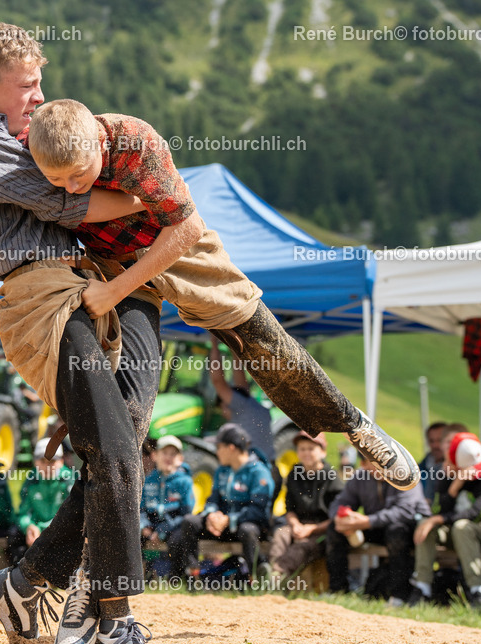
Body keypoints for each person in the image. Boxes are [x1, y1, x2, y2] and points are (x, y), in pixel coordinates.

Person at [24, 97, 420, 494]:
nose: (72, 188)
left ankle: (355, 426)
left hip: (172, 245)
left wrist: (113, 291)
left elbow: (187, 227)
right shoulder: (32, 146)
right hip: (107, 259)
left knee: (262, 339)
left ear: (97, 140)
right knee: (128, 401)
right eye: (58, 182)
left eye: (78, 175)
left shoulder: (136, 142)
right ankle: (97, 525)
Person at [0, 23, 165, 644]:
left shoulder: (10, 133)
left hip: (92, 285)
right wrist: (156, 191)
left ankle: (27, 581)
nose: (40, 96)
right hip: (43, 298)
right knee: (114, 449)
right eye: (29, 86)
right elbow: (73, 201)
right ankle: (110, 619)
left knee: (116, 444)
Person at [408, 432, 481, 609]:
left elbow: (479, 513)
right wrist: (453, 488)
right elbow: (436, 510)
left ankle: (477, 591)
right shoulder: (446, 472)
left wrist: (440, 518)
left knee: (462, 527)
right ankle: (422, 588)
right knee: (425, 526)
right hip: (453, 530)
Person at [169, 424, 274, 582]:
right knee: (190, 521)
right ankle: (193, 577)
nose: (216, 451)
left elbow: (258, 510)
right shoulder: (221, 470)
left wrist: (229, 520)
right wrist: (211, 515)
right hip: (219, 527)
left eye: (219, 447)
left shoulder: (259, 472)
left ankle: (255, 580)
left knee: (248, 529)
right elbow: (212, 500)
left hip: (245, 527)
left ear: (231, 448)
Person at [325, 455, 430, 605]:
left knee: (396, 531)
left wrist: (366, 522)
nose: (381, 467)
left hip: (410, 529)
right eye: (375, 464)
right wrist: (342, 518)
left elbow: (404, 512)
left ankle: (399, 596)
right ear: (363, 464)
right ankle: (338, 590)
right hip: (376, 527)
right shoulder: (359, 477)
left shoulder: (404, 475)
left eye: (384, 463)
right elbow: (341, 502)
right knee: (334, 530)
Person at [265, 431, 344, 581]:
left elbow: (337, 517)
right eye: (302, 449)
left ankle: (275, 575)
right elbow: (289, 509)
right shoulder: (294, 473)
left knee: (302, 546)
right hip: (298, 524)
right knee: (280, 535)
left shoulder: (332, 478)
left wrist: (312, 529)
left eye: (311, 448)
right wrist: (295, 525)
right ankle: (273, 576)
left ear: (322, 451)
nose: (306, 453)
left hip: (323, 529)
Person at [208, 341, 274, 463]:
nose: (222, 413)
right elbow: (241, 382)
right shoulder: (249, 404)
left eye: (221, 408)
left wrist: (214, 344)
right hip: (267, 465)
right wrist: (234, 346)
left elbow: (217, 381)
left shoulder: (240, 406)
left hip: (258, 471)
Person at [10, 441, 75, 564]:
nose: (47, 467)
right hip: (36, 530)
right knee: (14, 535)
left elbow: (72, 514)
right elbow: (23, 513)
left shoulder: (69, 481)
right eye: (42, 462)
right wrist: (28, 527)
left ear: (61, 461)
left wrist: (45, 529)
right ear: (35, 462)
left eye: (51, 462)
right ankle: (20, 576)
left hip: (60, 529)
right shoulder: (31, 481)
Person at [140, 435, 195, 553]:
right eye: (164, 452)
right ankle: (133, 571)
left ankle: (177, 571)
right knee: (131, 537)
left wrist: (163, 530)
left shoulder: (184, 481)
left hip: (173, 525)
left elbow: (186, 514)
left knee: (179, 539)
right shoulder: (149, 480)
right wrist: (144, 526)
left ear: (180, 459)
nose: (168, 457)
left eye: (173, 454)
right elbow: (141, 510)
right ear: (155, 455)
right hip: (151, 524)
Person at [418, 422, 448, 500]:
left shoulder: (454, 471)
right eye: (431, 441)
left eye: (439, 440)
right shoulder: (419, 468)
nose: (435, 445)